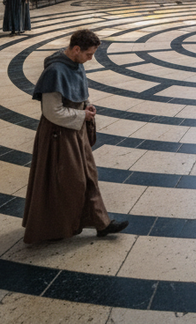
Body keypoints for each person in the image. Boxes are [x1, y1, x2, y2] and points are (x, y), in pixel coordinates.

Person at [23, 29, 128, 243]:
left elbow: (80, 93)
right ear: (76, 49)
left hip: (76, 130)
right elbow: (52, 112)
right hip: (59, 135)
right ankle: (54, 226)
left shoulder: (76, 65)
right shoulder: (55, 71)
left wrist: (87, 105)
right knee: (69, 181)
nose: (91, 59)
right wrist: (82, 115)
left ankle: (102, 223)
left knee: (88, 176)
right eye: (89, 54)